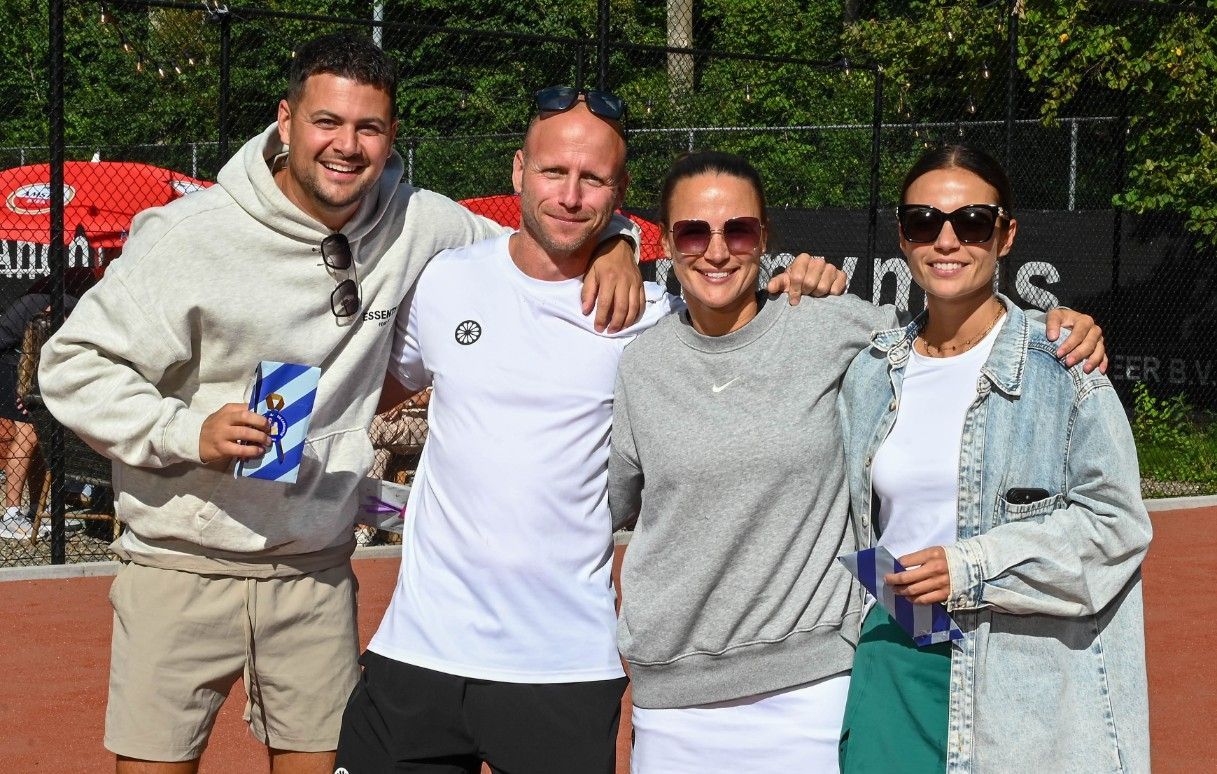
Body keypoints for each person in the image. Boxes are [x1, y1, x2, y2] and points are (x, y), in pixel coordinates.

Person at [37, 34, 643, 774]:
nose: (347, 146)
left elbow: (545, 232)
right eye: (327, 121)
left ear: (391, 137)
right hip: (181, 562)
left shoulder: (421, 224)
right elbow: (70, 366)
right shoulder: (190, 236)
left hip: (314, 570)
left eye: (369, 128)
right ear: (285, 120)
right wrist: (185, 432)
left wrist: (617, 243)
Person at [334, 89, 849, 771]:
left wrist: (806, 290)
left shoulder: (655, 320)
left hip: (564, 670)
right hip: (416, 654)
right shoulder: (445, 281)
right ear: (519, 170)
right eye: (553, 171)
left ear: (620, 191)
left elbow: (752, 350)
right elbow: (361, 393)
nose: (570, 196)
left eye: (593, 179)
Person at [606, 151, 1108, 773]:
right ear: (665, 241)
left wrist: (1052, 327)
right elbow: (608, 507)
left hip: (815, 686)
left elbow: (952, 334)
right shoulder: (640, 362)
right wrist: (612, 247)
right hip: (675, 697)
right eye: (692, 232)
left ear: (764, 238)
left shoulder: (837, 328)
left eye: (738, 230)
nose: (716, 251)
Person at [837, 144, 1150, 772]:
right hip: (895, 659)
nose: (946, 240)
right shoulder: (870, 370)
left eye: (973, 222)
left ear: (1005, 236)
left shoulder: (1063, 367)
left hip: (1017, 685)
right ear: (902, 236)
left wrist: (970, 566)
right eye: (924, 221)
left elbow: (1117, 527)